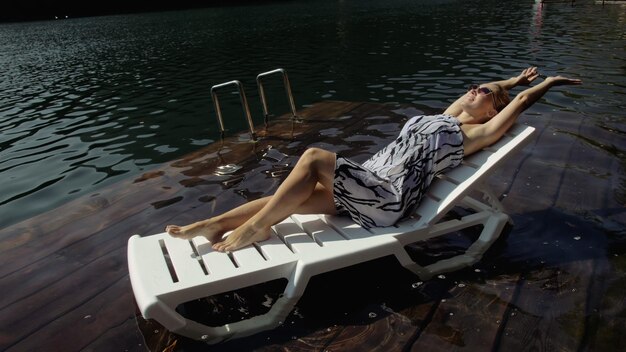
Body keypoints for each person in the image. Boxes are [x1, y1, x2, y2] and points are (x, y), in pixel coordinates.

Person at [166, 67, 581, 252]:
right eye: (474, 86)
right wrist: (508, 80)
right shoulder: (446, 117)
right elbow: (498, 91)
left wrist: (544, 84)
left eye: (483, 92)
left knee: (313, 158)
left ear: (493, 111)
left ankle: (256, 228)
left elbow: (520, 102)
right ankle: (214, 224)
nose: (473, 90)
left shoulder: (475, 133)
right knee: (299, 191)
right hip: (370, 184)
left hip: (388, 198)